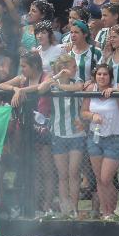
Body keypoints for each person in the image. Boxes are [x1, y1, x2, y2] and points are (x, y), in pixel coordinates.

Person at [0, 51, 54, 214]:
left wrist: (23, 91)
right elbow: (0, 85)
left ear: (35, 65)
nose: (21, 69)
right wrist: (16, 88)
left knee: (46, 170)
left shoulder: (46, 76)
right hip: (24, 130)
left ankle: (47, 206)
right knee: (30, 169)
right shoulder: (22, 79)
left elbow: (42, 87)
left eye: (24, 66)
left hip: (43, 130)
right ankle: (33, 205)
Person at [81, 64, 119, 219]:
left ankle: (111, 209)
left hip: (115, 138)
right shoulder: (91, 89)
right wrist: (92, 116)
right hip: (95, 137)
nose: (102, 77)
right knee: (99, 179)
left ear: (110, 76)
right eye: (99, 74)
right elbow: (83, 112)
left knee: (106, 178)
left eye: (105, 74)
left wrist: (116, 94)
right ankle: (107, 212)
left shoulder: (118, 87)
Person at [41, 53, 86, 217]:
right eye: (73, 66)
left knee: (74, 173)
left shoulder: (77, 81)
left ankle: (74, 208)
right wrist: (58, 76)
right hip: (58, 134)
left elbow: (78, 88)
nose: (75, 69)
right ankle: (64, 207)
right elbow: (41, 88)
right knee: (62, 175)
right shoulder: (52, 82)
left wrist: (60, 86)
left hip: (76, 134)